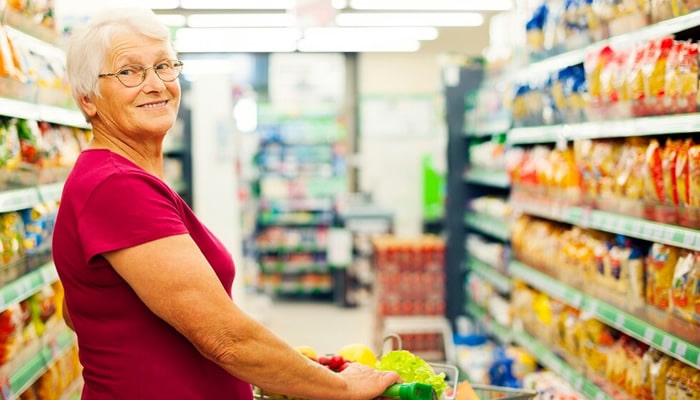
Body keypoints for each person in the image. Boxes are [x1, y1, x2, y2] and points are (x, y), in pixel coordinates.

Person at [52, 7, 400, 400]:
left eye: (165, 66)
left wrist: (282, 370)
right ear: (88, 99)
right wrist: (341, 388)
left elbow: (83, 310)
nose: (155, 84)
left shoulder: (120, 179)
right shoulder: (117, 186)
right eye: (129, 72)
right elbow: (225, 339)